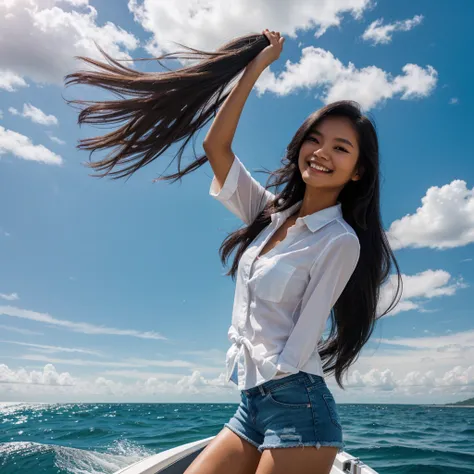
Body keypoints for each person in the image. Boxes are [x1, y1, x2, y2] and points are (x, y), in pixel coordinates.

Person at [66, 29, 402, 474]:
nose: (321, 152)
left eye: (340, 148)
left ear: (358, 171)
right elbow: (216, 147)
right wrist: (254, 68)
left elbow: (300, 346)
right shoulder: (269, 214)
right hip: (252, 405)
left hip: (299, 408)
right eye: (314, 139)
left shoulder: (339, 240)